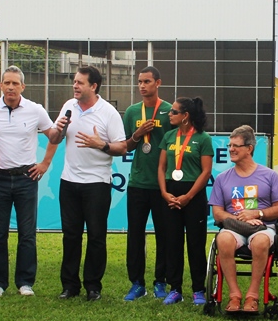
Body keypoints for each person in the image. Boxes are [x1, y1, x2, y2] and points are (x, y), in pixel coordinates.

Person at [0, 66, 59, 298]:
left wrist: (45, 164)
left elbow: (54, 136)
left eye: (15, 83)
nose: (11, 87)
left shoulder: (35, 110)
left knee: (27, 233)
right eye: (7, 83)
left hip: (26, 178)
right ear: (1, 85)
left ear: (23, 86)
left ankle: (25, 282)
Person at [56, 65, 126, 301]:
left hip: (97, 183)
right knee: (70, 235)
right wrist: (58, 130)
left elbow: (122, 147)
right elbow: (54, 138)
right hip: (69, 181)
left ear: (94, 86)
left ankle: (93, 286)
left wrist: (101, 145)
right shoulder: (68, 106)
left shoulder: (108, 113)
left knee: (96, 236)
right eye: (74, 81)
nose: (75, 86)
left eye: (80, 82)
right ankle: (69, 286)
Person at [209, 125, 278, 312]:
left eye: (236, 146)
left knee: (260, 242)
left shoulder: (270, 175)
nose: (231, 149)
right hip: (233, 228)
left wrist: (257, 213)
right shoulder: (222, 178)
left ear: (249, 148)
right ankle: (234, 295)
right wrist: (240, 219)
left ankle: (252, 296)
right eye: (229, 146)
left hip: (262, 228)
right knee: (223, 239)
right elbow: (218, 213)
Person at [122, 67, 175, 301]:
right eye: (140, 82)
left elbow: (176, 146)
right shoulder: (132, 112)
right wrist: (138, 133)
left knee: (164, 234)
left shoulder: (170, 111)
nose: (142, 86)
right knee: (135, 234)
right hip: (138, 183)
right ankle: (137, 283)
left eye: (147, 81)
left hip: (162, 185)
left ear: (158, 83)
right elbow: (125, 146)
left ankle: (160, 281)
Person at [158, 97, 214, 305]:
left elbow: (206, 172)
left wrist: (188, 196)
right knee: (172, 243)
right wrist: (164, 193)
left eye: (174, 112)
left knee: (195, 244)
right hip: (171, 194)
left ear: (185, 116)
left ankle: (198, 289)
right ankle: (175, 289)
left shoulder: (203, 138)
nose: (170, 114)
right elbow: (161, 167)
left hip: (193, 196)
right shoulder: (169, 136)